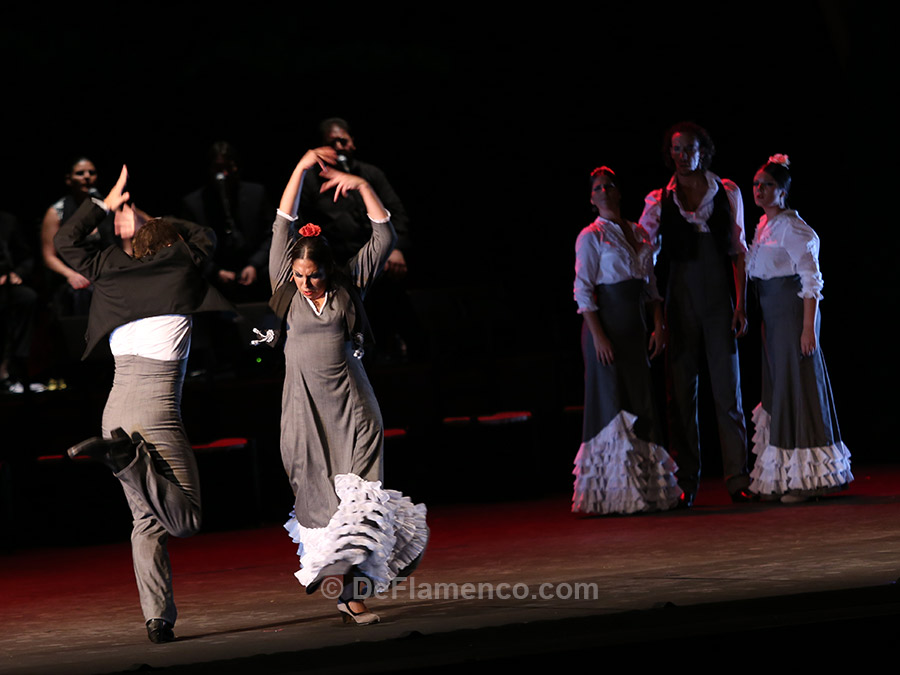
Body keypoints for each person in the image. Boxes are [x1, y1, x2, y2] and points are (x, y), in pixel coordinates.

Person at [56, 166, 233, 643]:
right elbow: (206, 234)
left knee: (146, 521)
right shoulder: (181, 269)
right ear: (174, 246)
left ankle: (158, 618)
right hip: (155, 411)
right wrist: (149, 217)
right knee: (186, 520)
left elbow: (65, 242)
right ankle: (124, 459)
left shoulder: (110, 269)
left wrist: (106, 204)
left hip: (114, 409)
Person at [270, 148, 428, 625]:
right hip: (304, 412)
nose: (306, 282)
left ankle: (352, 595)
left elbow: (384, 235)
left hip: (354, 409)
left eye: (314, 274)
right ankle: (338, 583)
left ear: (328, 269)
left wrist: (360, 185)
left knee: (361, 502)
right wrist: (300, 168)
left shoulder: (348, 285)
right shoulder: (286, 287)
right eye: (300, 275)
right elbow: (282, 222)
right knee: (319, 501)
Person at [639, 122, 751, 507]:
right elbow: (645, 258)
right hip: (680, 296)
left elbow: (738, 250)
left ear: (703, 150)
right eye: (676, 149)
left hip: (719, 296)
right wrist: (658, 315)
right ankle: (685, 480)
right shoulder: (659, 199)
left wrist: (741, 304)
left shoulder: (727, 191)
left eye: (689, 148)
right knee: (680, 393)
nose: (683, 156)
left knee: (728, 391)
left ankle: (737, 477)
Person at [572, 167, 680, 514]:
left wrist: (659, 325)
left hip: (635, 328)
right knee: (613, 403)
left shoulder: (638, 232)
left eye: (609, 185)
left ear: (618, 192)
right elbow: (583, 291)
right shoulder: (591, 236)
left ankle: (647, 491)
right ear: (592, 199)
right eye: (597, 188)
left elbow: (651, 286)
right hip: (607, 328)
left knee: (640, 402)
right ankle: (616, 495)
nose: (604, 190)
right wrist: (599, 336)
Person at [746, 154, 852, 502]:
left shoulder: (794, 229)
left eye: (768, 185)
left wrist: (809, 329)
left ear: (783, 191)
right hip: (772, 319)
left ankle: (808, 482)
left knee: (797, 387)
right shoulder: (764, 226)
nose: (760, 190)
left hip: (792, 317)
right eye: (757, 184)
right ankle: (782, 476)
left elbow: (811, 280)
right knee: (780, 389)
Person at [300, 118, 417, 361]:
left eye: (343, 141)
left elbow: (397, 213)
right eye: (332, 143)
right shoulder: (312, 180)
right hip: (338, 265)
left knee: (398, 306)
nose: (339, 147)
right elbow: (301, 223)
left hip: (379, 261)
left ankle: (403, 353)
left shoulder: (370, 174)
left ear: (352, 143)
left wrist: (395, 249)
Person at [180, 141, 273, 302]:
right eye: (218, 168)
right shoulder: (194, 203)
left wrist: (254, 264)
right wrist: (215, 271)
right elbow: (188, 246)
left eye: (229, 167)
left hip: (257, 274)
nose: (225, 174)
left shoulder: (256, 193)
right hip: (212, 282)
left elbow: (272, 234)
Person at [40, 157, 115, 316]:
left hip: (105, 271)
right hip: (74, 275)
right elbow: (49, 256)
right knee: (82, 293)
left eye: (91, 173)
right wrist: (71, 275)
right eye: (80, 173)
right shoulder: (57, 212)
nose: (87, 176)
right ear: (69, 179)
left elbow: (124, 246)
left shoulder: (107, 207)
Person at [0, 211, 39, 393]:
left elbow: (26, 257)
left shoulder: (7, 221)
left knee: (27, 298)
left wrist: (17, 273)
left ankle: (15, 364)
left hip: (5, 285)